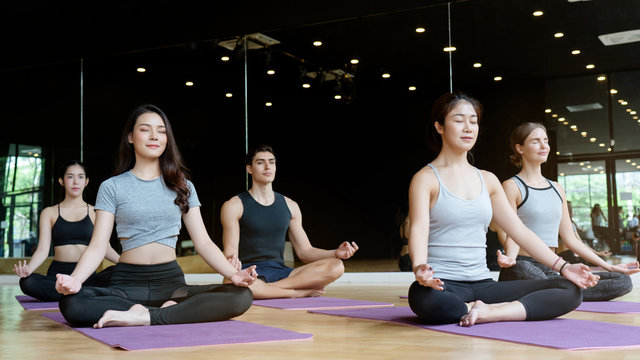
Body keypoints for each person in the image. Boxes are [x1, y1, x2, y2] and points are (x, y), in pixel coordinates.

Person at [407, 92, 598, 327]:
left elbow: (520, 231)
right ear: (439, 126)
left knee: (569, 288)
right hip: (442, 284)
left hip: (484, 285)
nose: (468, 127)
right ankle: (476, 309)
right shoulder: (425, 178)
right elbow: (418, 228)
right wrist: (419, 268)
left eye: (473, 121)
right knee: (422, 298)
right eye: (458, 120)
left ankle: (490, 312)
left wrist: (564, 266)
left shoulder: (488, 180)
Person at [55, 104, 256, 328]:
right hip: (126, 284)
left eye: (161, 131)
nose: (154, 136)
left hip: (171, 283)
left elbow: (204, 242)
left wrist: (234, 274)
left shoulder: (183, 186)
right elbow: (97, 246)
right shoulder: (112, 186)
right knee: (71, 303)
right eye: (145, 129)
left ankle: (143, 316)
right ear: (130, 137)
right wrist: (75, 279)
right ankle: (161, 313)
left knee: (242, 296)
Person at [497, 122, 636, 301]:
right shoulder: (512, 186)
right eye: (535, 141)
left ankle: (561, 289)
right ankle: (563, 289)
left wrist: (609, 267)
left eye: (546, 140)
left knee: (623, 281)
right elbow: (514, 233)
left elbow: (571, 240)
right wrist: (510, 258)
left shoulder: (557, 188)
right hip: (523, 265)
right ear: (520, 148)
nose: (543, 146)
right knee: (525, 270)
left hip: (553, 266)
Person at [221, 145, 359, 299]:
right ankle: (296, 293)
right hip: (250, 272)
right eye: (260, 162)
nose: (268, 167)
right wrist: (235, 272)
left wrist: (335, 253)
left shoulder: (290, 205)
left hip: (283, 273)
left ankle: (269, 291)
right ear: (249, 169)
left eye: (271, 162)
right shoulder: (234, 205)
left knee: (336, 266)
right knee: (229, 281)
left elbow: (305, 252)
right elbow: (231, 254)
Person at [13, 160, 119, 301]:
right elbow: (43, 250)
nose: (76, 182)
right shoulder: (49, 212)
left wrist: (127, 263)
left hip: (86, 276)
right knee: (27, 282)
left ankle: (72, 291)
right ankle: (75, 292)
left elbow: (105, 247)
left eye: (80, 177)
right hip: (57, 277)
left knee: (118, 272)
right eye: (70, 177)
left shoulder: (96, 212)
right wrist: (29, 269)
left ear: (86, 181)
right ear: (61, 181)